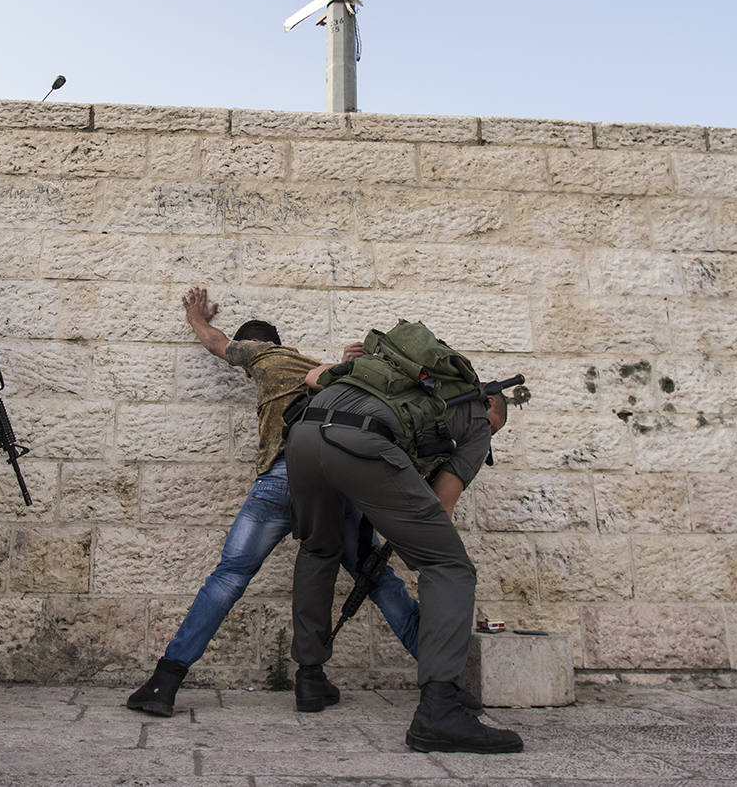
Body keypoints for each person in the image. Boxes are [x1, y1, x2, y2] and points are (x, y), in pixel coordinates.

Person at [126, 287, 423, 717]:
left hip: (283, 477)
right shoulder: (323, 369)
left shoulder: (264, 357)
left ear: (254, 351)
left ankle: (164, 683)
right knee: (375, 577)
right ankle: (434, 675)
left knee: (228, 577)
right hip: (335, 482)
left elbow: (216, 342)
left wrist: (196, 317)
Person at [287, 340, 525, 754]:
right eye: (495, 426)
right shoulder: (476, 417)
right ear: (489, 401)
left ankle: (310, 678)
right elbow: (441, 506)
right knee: (449, 566)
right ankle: (440, 711)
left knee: (319, 548)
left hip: (305, 433)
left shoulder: (394, 382)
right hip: (358, 443)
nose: (489, 434)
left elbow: (313, 377)